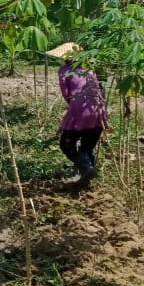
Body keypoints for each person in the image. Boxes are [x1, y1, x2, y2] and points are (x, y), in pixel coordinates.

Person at [48, 42, 108, 190]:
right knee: (87, 148)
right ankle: (85, 180)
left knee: (66, 144)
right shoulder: (89, 70)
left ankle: (86, 169)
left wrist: (73, 107)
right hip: (99, 111)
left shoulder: (64, 70)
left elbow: (66, 94)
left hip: (80, 111)